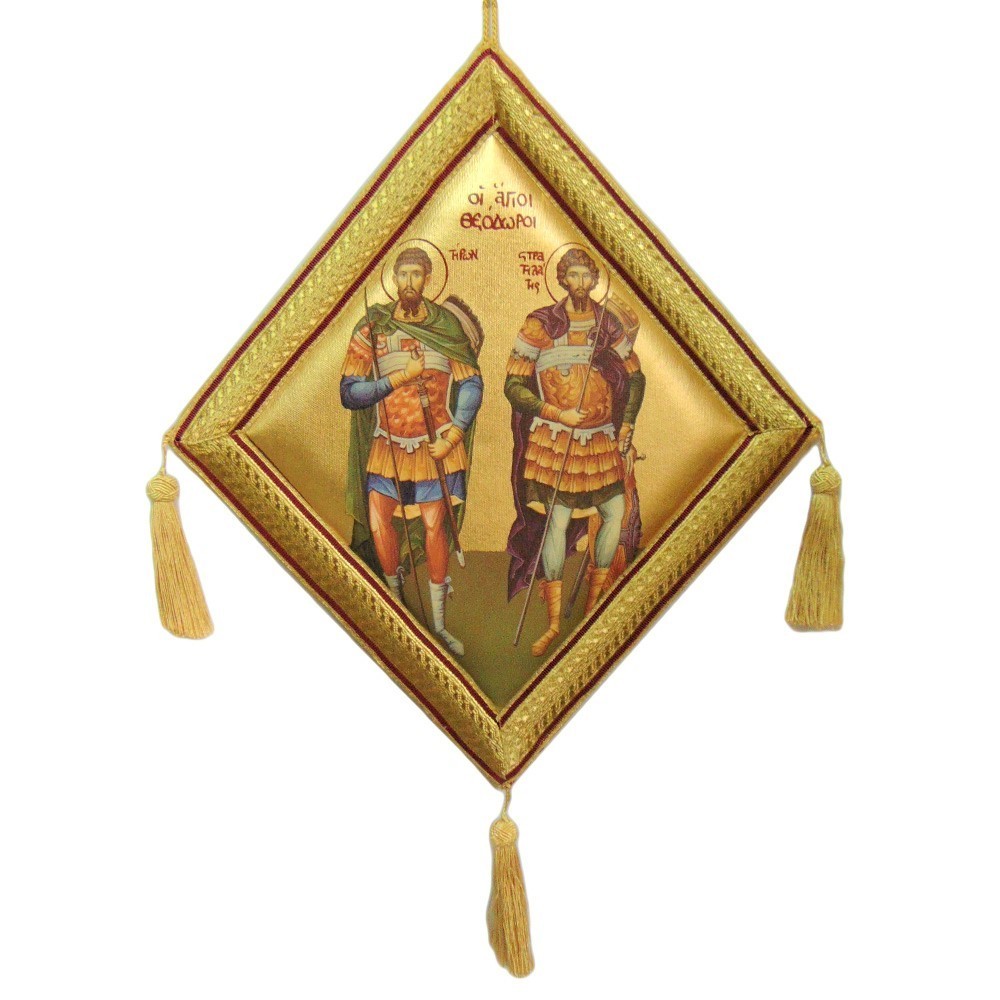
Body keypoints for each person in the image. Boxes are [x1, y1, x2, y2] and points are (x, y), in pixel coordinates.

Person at [340, 247, 483, 656]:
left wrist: (454, 434)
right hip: (387, 443)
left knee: (436, 527)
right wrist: (400, 377)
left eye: (416, 274)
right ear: (393, 279)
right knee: (378, 520)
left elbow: (471, 383)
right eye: (402, 275)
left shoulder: (447, 328)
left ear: (428, 278)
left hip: (432, 448)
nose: (408, 283)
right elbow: (350, 393)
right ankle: (396, 609)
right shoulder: (374, 327)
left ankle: (437, 625)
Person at [505, 248, 645, 656]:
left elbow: (636, 377)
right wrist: (555, 413)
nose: (581, 284)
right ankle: (552, 624)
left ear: (594, 281)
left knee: (614, 512)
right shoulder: (540, 324)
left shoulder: (607, 324)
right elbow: (513, 386)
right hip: (556, 439)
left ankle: (591, 608)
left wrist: (627, 423)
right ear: (563, 280)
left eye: (588, 277)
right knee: (558, 521)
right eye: (574, 276)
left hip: (601, 439)